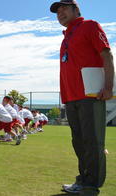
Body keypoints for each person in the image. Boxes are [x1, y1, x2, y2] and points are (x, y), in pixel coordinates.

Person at [50, 1, 114, 195]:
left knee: (93, 142)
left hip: (90, 95)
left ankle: (91, 186)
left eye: (64, 8)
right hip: (71, 98)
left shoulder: (90, 25)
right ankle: (83, 179)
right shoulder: (66, 36)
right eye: (57, 11)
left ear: (76, 10)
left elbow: (107, 55)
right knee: (79, 142)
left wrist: (108, 86)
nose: (60, 13)